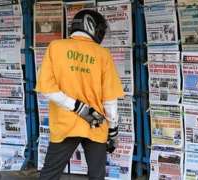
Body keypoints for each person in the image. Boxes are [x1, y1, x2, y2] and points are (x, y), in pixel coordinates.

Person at [35, 9, 124, 180]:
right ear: (93, 27)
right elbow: (110, 99)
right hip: (96, 123)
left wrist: (76, 106)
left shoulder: (56, 47)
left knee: (49, 174)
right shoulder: (102, 54)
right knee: (97, 176)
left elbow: (47, 88)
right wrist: (113, 130)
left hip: (65, 124)